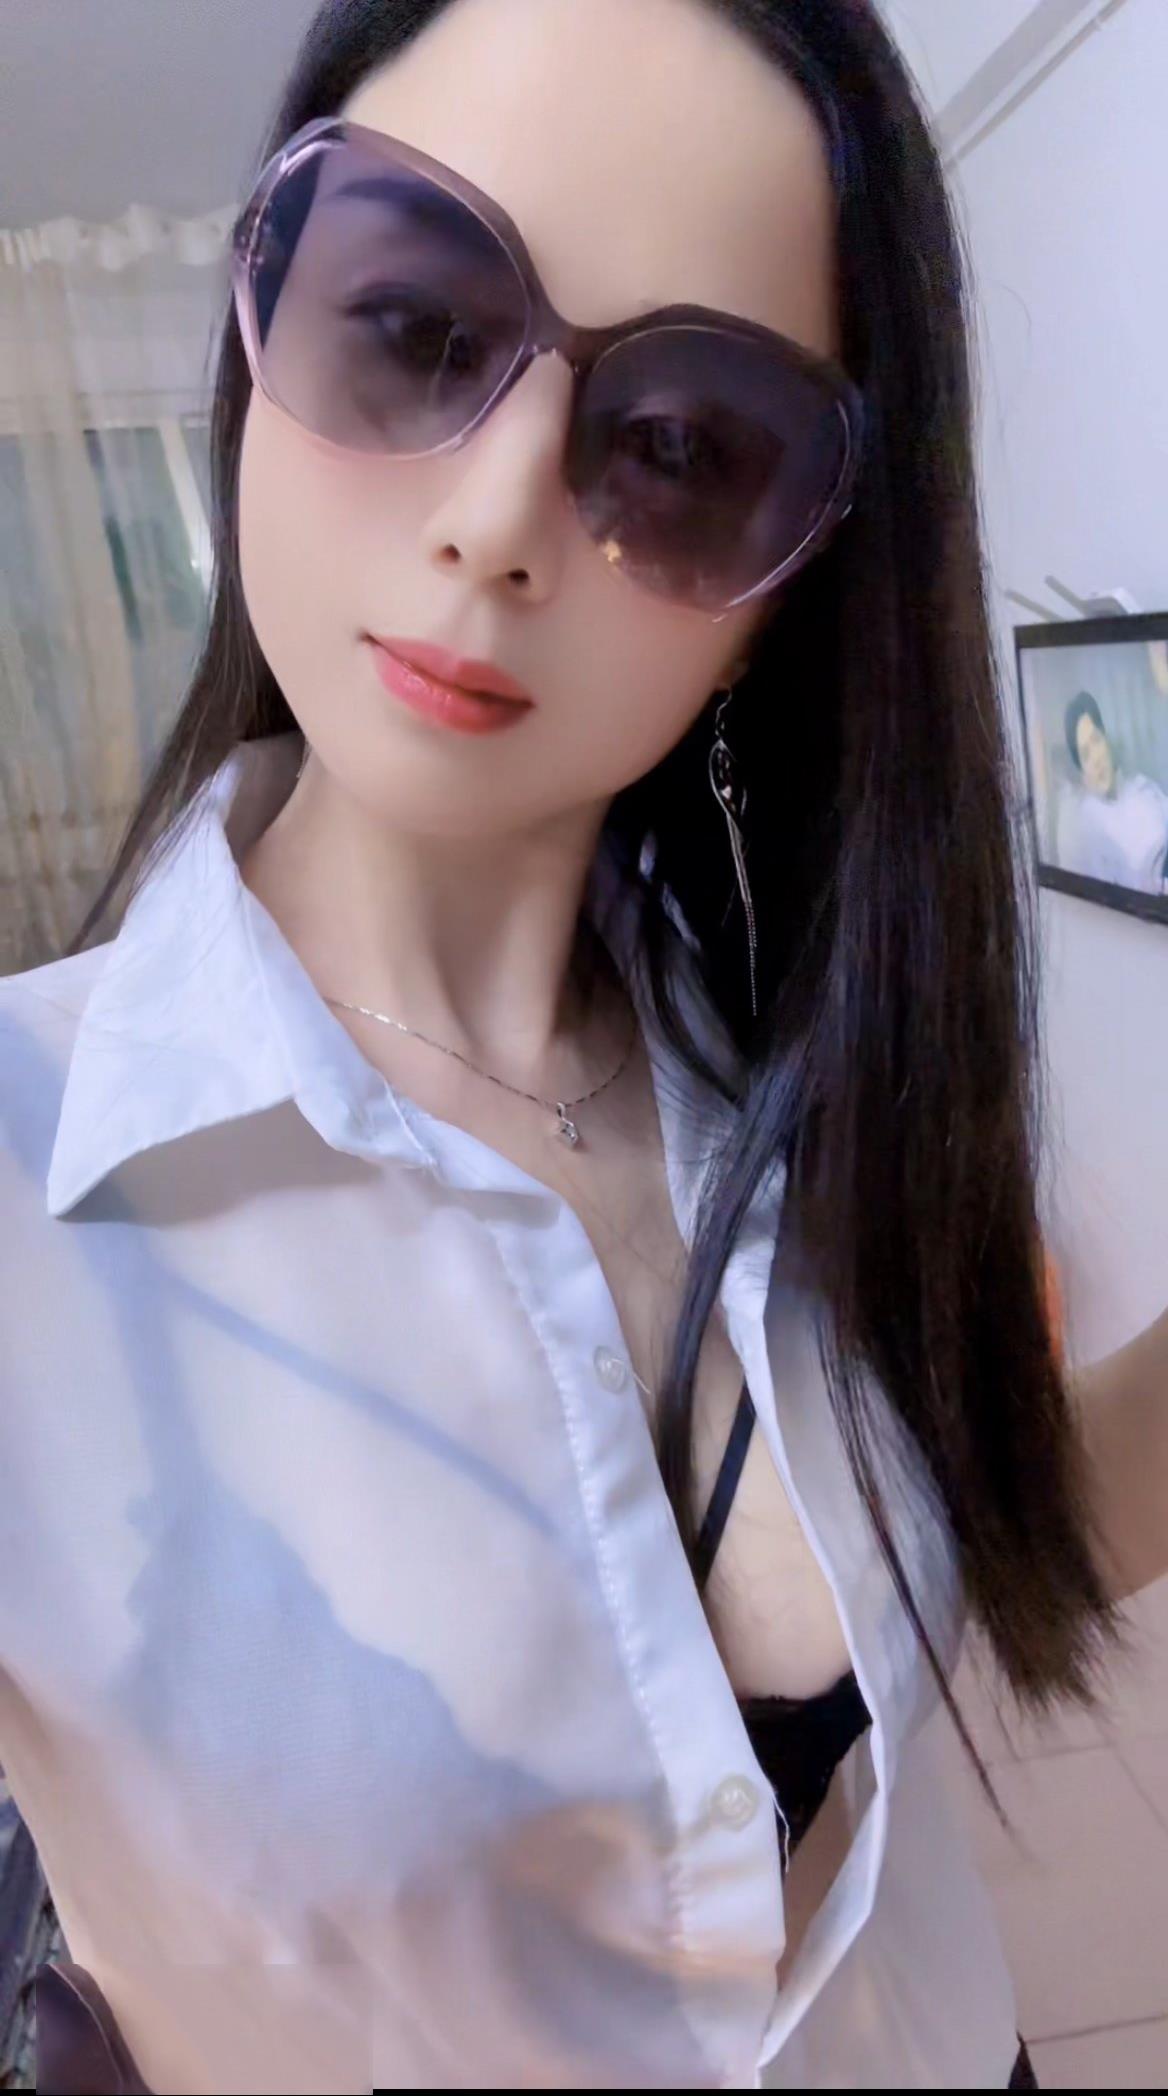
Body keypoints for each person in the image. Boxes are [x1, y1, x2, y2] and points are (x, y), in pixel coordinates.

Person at [1, 1, 1166, 2089]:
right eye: (415, 329)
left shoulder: (818, 1059)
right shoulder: (29, 1182)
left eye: (684, 445)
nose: (497, 517)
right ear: (264, 312)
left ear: (795, 580)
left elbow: (983, 1536)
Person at [1059, 689, 1168, 893]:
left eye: (1096, 740)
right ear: (1081, 771)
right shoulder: (1088, 829)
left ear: (1106, 740)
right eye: (1086, 754)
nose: (1096, 759)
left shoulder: (1142, 788)